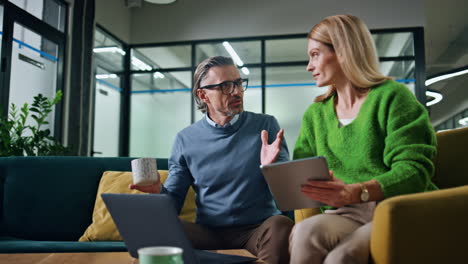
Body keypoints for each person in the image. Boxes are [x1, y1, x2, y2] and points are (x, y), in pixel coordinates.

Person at [288, 14, 437, 263]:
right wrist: (276, 163)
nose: (309, 66)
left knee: (343, 256)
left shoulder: (393, 97)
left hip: (396, 208)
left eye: (315, 54)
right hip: (347, 213)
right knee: (305, 231)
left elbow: (414, 171)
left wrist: (356, 192)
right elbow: (304, 179)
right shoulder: (315, 114)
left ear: (343, 51)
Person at [130, 56, 294, 264]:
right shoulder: (185, 139)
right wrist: (157, 192)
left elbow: (286, 199)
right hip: (208, 232)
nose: (236, 91)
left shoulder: (266, 125)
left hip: (258, 229)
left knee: (281, 225)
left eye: (238, 83)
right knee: (158, 229)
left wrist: (272, 169)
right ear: (203, 95)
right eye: (225, 86)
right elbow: (173, 205)